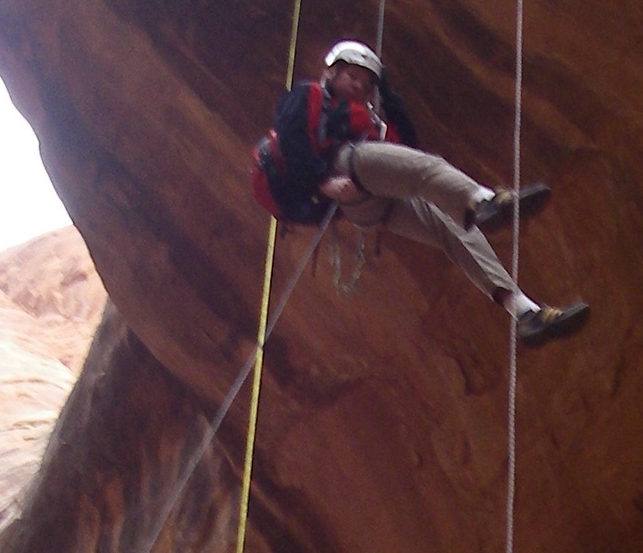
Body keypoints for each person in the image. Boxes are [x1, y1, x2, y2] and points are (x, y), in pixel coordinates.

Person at [251, 41, 590, 347]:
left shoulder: (365, 121)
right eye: (352, 76)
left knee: (455, 228)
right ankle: (486, 201)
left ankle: (525, 312)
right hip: (338, 174)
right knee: (428, 169)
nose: (358, 85)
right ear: (331, 72)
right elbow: (292, 139)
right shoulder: (309, 95)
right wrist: (323, 181)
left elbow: (408, 151)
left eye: (366, 83)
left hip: (365, 198)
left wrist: (387, 93)